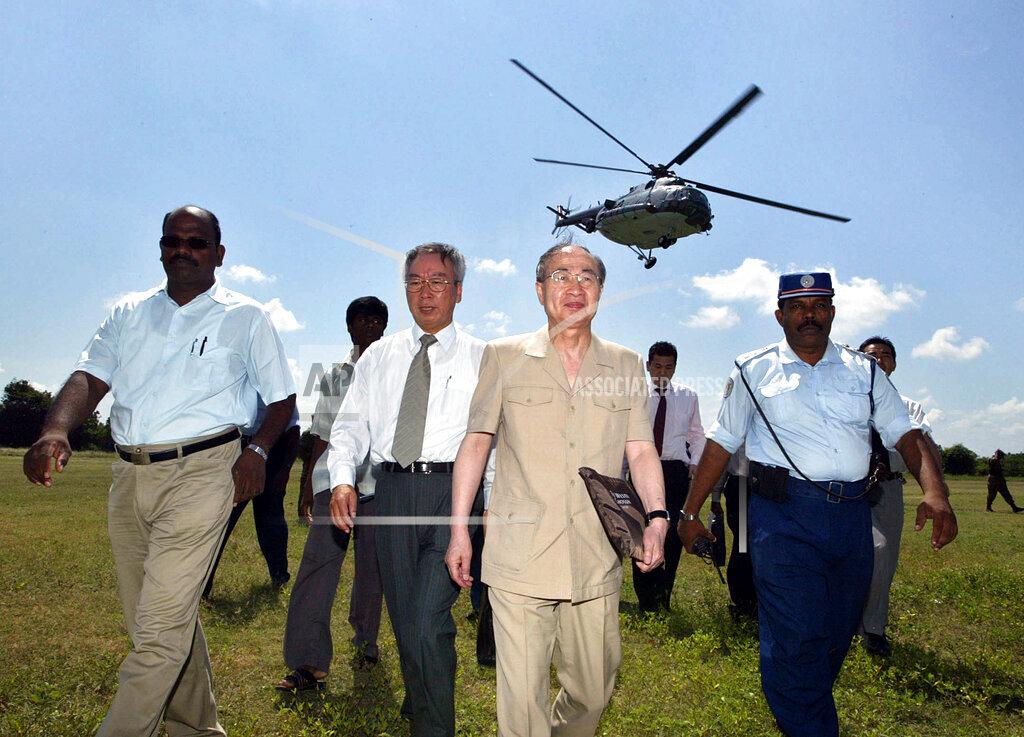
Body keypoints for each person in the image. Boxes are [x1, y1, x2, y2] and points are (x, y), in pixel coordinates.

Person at [23, 205, 296, 737]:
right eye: (173, 240)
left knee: (158, 629)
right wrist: (56, 429)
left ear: (218, 254)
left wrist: (258, 451)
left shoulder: (245, 316)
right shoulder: (129, 312)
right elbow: (89, 377)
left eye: (196, 242)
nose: (183, 250)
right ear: (161, 248)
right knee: (156, 621)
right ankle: (196, 728)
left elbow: (281, 399)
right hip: (129, 476)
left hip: (205, 470)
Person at [678, 272, 957, 737]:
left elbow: (905, 434)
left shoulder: (863, 371)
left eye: (819, 305)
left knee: (835, 630)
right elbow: (721, 442)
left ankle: (801, 700)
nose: (810, 315)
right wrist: (690, 513)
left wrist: (936, 491)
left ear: (832, 311)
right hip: (780, 516)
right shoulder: (753, 369)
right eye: (798, 306)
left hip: (850, 514)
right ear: (780, 315)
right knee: (797, 631)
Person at [445, 240, 668, 737]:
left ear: (600, 291)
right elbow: (477, 441)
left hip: (596, 555)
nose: (574, 285)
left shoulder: (626, 365)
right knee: (523, 710)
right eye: (561, 275)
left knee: (593, 692)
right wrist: (460, 530)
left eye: (586, 276)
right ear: (540, 289)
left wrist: (657, 516)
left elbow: (640, 449)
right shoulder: (503, 358)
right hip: (520, 556)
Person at [328, 245, 487, 737]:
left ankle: (433, 726)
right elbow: (349, 425)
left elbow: (494, 440)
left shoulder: (486, 358)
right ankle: (422, 697)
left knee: (426, 619)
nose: (426, 292)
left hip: (453, 498)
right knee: (403, 618)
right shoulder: (380, 355)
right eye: (415, 282)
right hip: (391, 495)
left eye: (438, 281)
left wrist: (494, 507)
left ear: (458, 290)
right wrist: (341, 478)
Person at [275, 296, 389, 691]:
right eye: (363, 320)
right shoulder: (336, 377)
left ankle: (366, 641)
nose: (371, 327)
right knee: (318, 568)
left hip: (378, 487)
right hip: (331, 485)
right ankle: (308, 662)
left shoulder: (395, 372)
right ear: (350, 327)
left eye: (378, 321)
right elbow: (321, 434)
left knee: (371, 569)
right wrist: (308, 486)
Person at [857, 336, 942, 657]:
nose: (878, 359)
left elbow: (926, 448)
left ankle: (874, 628)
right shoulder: (847, 401)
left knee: (884, 558)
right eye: (870, 355)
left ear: (893, 364)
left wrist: (937, 490)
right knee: (857, 554)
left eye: (885, 355)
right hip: (848, 487)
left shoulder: (908, 407)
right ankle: (843, 619)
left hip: (888, 487)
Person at [631, 340, 704, 612]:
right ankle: (646, 601)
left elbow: (697, 435)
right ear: (649, 366)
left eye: (669, 367)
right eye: (657, 366)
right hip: (642, 470)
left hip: (674, 473)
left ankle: (663, 598)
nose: (663, 372)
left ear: (675, 368)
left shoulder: (688, 396)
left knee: (671, 536)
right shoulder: (635, 395)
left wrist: (696, 463)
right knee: (641, 534)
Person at [204, 398, 301, 596]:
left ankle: (279, 576)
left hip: (274, 445)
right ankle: (203, 584)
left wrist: (284, 467)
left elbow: (292, 424)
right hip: (238, 444)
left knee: (270, 514)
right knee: (223, 515)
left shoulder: (275, 377)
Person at [710, 445, 758, 620]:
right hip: (742, 485)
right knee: (743, 544)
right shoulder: (740, 420)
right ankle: (742, 602)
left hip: (768, 488)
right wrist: (715, 497)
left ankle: (755, 601)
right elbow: (723, 456)